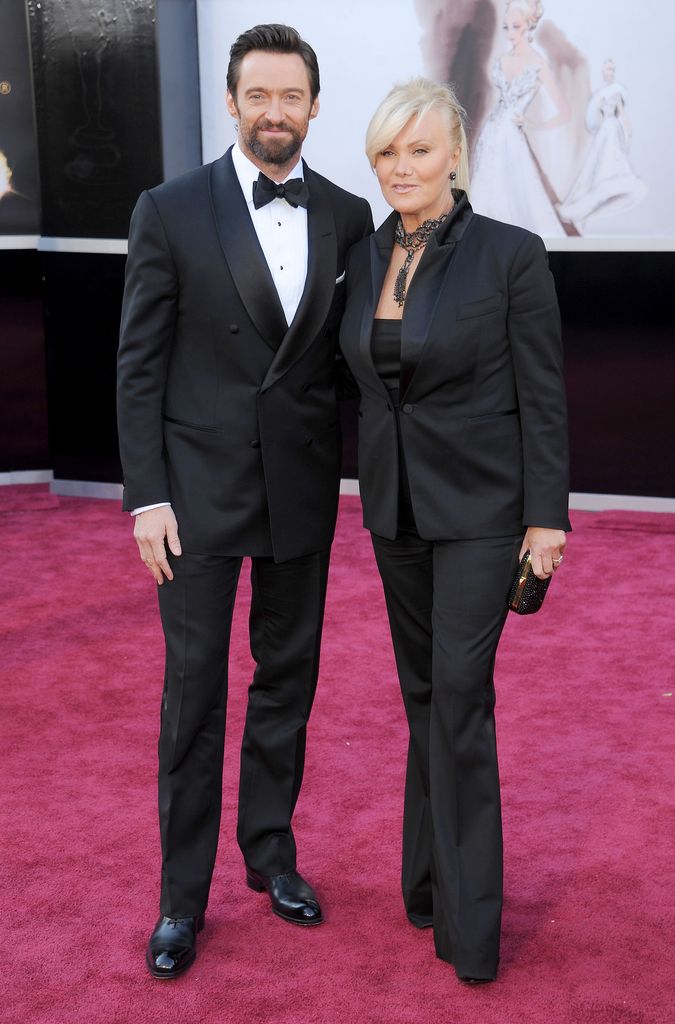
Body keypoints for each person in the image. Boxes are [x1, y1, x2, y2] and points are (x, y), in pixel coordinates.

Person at [117, 23, 372, 979]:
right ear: (231, 102)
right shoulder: (170, 208)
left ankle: (272, 856)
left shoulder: (347, 215)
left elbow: (349, 367)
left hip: (299, 488)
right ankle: (181, 900)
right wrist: (147, 498)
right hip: (193, 498)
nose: (274, 113)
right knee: (193, 697)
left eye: (291, 97)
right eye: (257, 96)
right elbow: (137, 367)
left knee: (286, 683)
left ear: (312, 105)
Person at [339, 77, 570, 983]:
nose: (401, 167)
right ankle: (427, 882)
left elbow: (542, 395)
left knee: (461, 701)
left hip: (482, 513)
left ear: (455, 153)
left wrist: (545, 516)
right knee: (424, 699)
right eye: (387, 152)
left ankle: (471, 929)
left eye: (418, 150)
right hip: (392, 510)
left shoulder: (511, 255)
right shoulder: (363, 257)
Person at [470, 0, 570, 236]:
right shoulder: (503, 59)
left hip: (512, 138)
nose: (510, 33)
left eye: (516, 26)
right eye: (506, 27)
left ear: (529, 25)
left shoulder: (537, 64)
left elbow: (564, 111)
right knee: (486, 191)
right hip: (491, 134)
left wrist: (533, 125)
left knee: (516, 195)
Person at [558, 58, 646, 231]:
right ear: (603, 72)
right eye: (607, 70)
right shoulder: (599, 94)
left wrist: (626, 129)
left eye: (612, 69)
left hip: (612, 128)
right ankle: (593, 197)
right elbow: (594, 118)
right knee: (597, 162)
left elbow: (621, 114)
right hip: (604, 130)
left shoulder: (616, 92)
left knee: (612, 157)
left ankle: (610, 185)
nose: (610, 73)